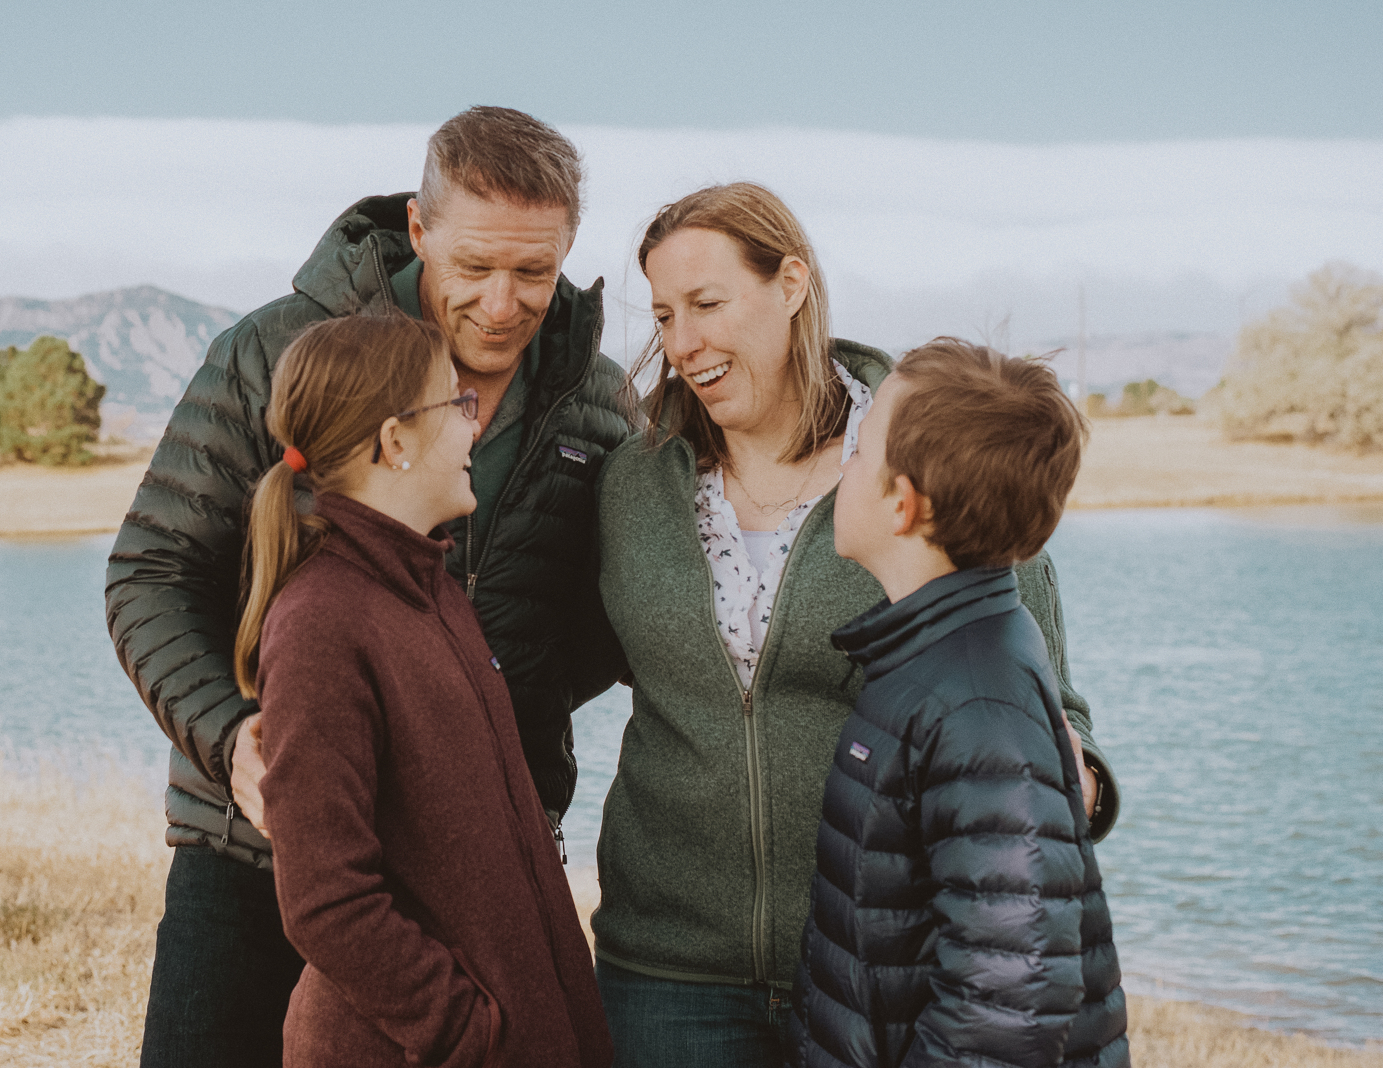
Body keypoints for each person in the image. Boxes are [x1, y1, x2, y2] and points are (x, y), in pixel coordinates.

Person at [105, 107, 634, 1066]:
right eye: (474, 268)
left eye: (535, 272)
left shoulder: (595, 400)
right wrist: (230, 738)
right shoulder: (276, 352)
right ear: (419, 230)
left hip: (478, 874)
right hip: (256, 852)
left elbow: (614, 618)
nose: (506, 303)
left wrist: (487, 706)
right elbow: (150, 573)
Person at [591, 183, 1120, 1067]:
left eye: (709, 304)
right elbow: (557, 655)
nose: (683, 343)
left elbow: (1044, 709)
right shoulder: (631, 484)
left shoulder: (923, 455)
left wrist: (1060, 788)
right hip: (666, 971)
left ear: (791, 283)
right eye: (664, 313)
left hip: (879, 967)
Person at [239, 313, 611, 1067]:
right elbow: (326, 900)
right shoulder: (321, 623)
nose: (474, 429)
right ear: (395, 441)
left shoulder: (428, 590)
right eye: (457, 405)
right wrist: (470, 1032)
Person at [788, 338, 1128, 1068]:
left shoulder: (973, 699)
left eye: (859, 451)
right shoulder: (933, 654)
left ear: (902, 503)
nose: (841, 468)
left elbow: (1011, 1002)